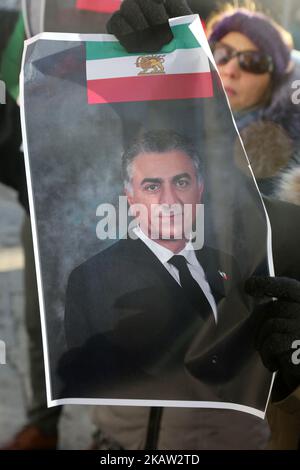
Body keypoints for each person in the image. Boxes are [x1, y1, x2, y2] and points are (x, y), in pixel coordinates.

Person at [77, 0, 300, 450]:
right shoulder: (152, 139)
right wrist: (134, 69)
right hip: (118, 436)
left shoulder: (287, 185)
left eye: (252, 60)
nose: (232, 69)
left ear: (275, 79)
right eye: (218, 54)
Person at [61, 130, 271, 409]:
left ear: (199, 189)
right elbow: (94, 387)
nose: (169, 200)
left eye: (181, 182)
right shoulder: (92, 279)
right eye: (152, 187)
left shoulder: (228, 264)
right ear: (131, 198)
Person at [206, 5, 300, 197]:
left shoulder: (282, 167)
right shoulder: (170, 115)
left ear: (272, 83)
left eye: (252, 61)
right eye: (222, 54)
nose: (230, 70)